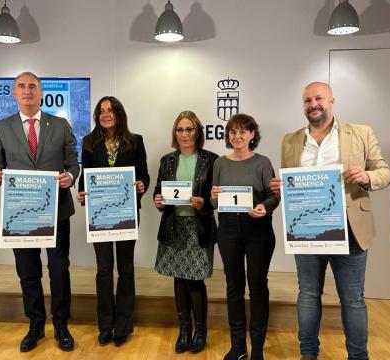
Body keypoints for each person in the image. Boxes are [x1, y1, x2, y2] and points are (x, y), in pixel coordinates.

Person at [270, 82, 390, 360]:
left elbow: (384, 172)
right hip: (305, 230)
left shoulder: (360, 132)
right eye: (307, 100)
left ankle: (358, 357)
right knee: (308, 295)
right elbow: (291, 183)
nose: (313, 104)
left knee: (352, 300)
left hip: (349, 230)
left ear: (332, 100)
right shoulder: (290, 140)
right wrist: (282, 187)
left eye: (318, 98)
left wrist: (366, 177)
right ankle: (308, 354)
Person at [0, 72, 80, 352]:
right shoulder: (1, 127)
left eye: (32, 86)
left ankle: (61, 325)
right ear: (14, 93)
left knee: (59, 269)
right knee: (27, 272)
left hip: (57, 212)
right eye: (22, 87)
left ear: (41, 93)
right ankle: (36, 325)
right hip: (20, 215)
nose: (27, 91)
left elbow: (73, 164)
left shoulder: (61, 125)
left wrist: (71, 178)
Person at [76, 96, 149, 347]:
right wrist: (82, 193)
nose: (106, 114)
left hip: (126, 214)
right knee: (104, 270)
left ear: (119, 113)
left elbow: (144, 176)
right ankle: (105, 325)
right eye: (101, 111)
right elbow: (84, 177)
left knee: (125, 270)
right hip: (99, 216)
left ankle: (124, 325)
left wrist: (142, 185)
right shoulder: (88, 143)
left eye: (111, 110)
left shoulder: (135, 141)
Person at [211, 114, 279, 360]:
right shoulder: (219, 163)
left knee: (258, 286)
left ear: (252, 135)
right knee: (234, 288)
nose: (237, 136)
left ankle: (258, 347)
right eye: (233, 132)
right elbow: (213, 200)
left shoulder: (263, 162)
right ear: (228, 135)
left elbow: (274, 196)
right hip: (228, 230)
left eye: (243, 132)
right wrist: (214, 197)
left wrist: (265, 207)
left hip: (257, 229)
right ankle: (238, 346)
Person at [153, 111, 218, 354]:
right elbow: (159, 191)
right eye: (180, 129)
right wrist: (157, 200)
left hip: (198, 227)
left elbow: (216, 197)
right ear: (175, 133)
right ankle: (183, 330)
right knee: (178, 279)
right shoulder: (167, 161)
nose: (185, 134)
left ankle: (200, 332)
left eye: (189, 129)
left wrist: (206, 204)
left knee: (196, 280)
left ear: (198, 132)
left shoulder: (212, 159)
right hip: (174, 226)